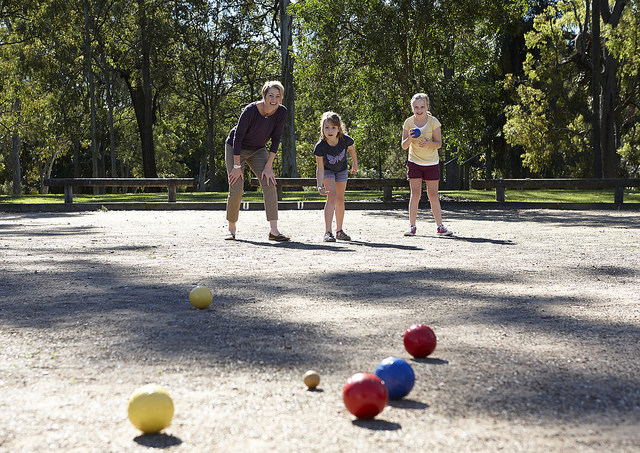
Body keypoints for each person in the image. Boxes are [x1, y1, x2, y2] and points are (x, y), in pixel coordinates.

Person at [224, 81, 290, 241]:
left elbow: (276, 139)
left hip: (258, 149)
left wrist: (268, 166)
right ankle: (231, 230)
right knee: (237, 187)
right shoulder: (251, 111)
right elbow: (238, 137)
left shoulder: (281, 112)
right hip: (236, 148)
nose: (274, 99)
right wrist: (237, 166)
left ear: (281, 98)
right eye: (271, 96)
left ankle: (274, 231)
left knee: (270, 184)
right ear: (264, 96)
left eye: (277, 96)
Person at [401, 93, 453, 236]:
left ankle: (440, 227)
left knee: (433, 195)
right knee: (415, 195)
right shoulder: (408, 123)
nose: (419, 109)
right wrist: (410, 138)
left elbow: (438, 144)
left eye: (422, 106)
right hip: (414, 162)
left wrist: (428, 143)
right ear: (412, 108)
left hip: (431, 163)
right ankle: (412, 227)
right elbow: (404, 146)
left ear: (427, 107)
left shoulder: (433, 122)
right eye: (416, 107)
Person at [314, 111, 358, 242]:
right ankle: (328, 232)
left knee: (340, 199)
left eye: (333, 127)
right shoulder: (320, 147)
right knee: (331, 197)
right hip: (328, 171)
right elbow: (320, 167)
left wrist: (355, 164)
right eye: (326, 127)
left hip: (342, 170)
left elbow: (352, 150)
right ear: (322, 129)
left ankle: (339, 231)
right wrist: (319, 185)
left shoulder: (345, 140)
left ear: (339, 128)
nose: (330, 130)